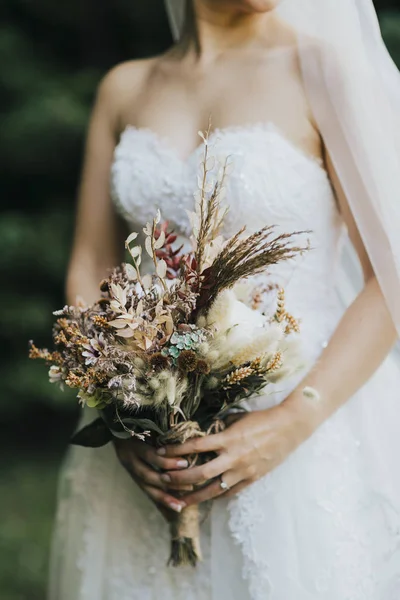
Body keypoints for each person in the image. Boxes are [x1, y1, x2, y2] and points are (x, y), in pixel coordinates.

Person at [49, 1, 400, 598]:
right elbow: (92, 263)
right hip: (152, 433)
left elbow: (390, 277)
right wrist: (122, 411)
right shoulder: (126, 87)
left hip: (303, 428)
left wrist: (291, 422)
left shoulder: (322, 69)